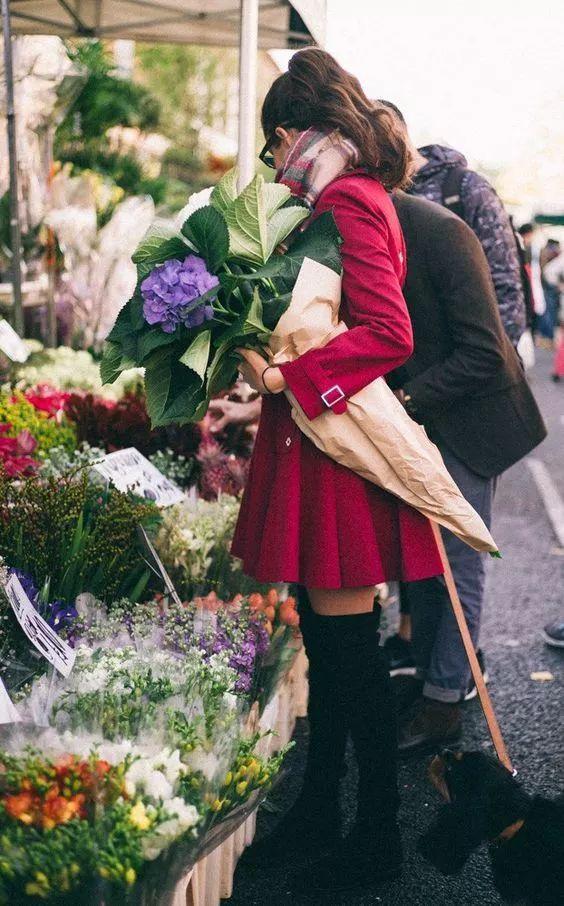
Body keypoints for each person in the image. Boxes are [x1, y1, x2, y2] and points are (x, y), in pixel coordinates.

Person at [229, 48, 445, 893]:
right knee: (329, 650)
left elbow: (391, 333)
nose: (274, 157)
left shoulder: (349, 198)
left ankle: (376, 833)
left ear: (292, 128)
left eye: (274, 140)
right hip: (314, 441)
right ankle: (327, 810)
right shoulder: (341, 194)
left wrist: (287, 377)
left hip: (332, 451)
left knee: (348, 661)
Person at [385, 188, 546, 753]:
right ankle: (434, 682)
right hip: (429, 423)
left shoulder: (442, 229)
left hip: (472, 424)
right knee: (425, 564)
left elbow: (485, 352)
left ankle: (445, 703)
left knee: (458, 565)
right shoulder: (379, 223)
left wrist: (404, 400)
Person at [380, 103, 527, 349]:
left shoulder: (465, 186)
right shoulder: (382, 196)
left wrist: (489, 359)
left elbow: (505, 284)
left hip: (476, 360)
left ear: (396, 132)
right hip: (421, 365)